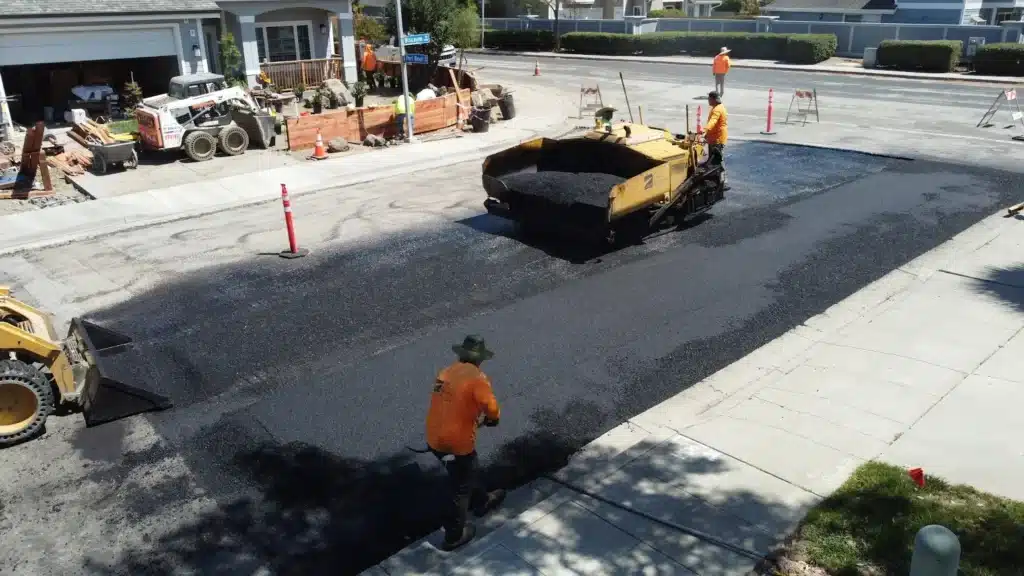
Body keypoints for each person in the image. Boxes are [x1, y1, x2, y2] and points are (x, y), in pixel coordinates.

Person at [425, 334, 507, 551]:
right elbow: (490, 405)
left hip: (434, 437)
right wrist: (493, 418)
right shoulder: (477, 378)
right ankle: (454, 535)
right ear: (480, 359)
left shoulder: (446, 372)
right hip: (456, 442)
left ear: (461, 354)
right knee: (460, 487)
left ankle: (481, 501)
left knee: (468, 469)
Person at [704, 91, 728, 188]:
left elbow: (713, 121)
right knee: (714, 160)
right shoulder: (719, 107)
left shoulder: (716, 110)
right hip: (715, 137)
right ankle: (717, 179)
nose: (708, 100)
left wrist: (705, 130)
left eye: (709, 99)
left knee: (718, 160)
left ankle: (723, 181)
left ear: (713, 99)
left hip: (717, 139)